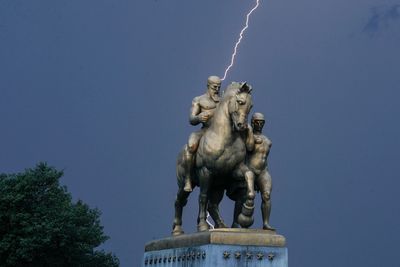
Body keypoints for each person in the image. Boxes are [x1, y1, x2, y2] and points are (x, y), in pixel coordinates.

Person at [182, 76, 221, 192]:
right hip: (204, 131)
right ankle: (188, 178)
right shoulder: (198, 100)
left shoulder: (223, 100)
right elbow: (191, 119)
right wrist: (198, 118)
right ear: (208, 86)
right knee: (191, 146)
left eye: (219, 87)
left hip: (220, 132)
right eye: (215, 87)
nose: (217, 89)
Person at [247, 112, 275, 230]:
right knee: (247, 196)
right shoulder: (248, 138)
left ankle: (266, 223)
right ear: (253, 122)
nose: (259, 125)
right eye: (257, 122)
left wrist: (265, 172)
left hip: (263, 171)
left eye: (261, 122)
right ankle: (240, 221)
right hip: (250, 170)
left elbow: (265, 159)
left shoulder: (267, 141)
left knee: (267, 195)